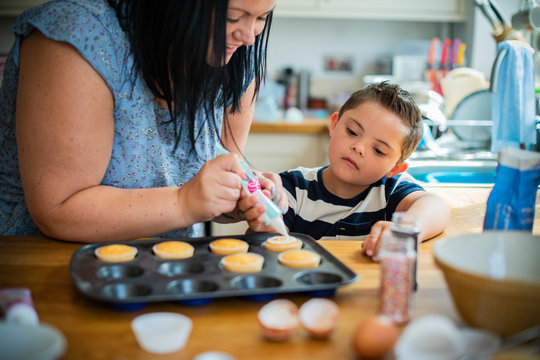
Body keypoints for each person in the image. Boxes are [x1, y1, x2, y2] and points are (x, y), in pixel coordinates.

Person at [0, 0, 287, 242]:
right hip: (42, 270)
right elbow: (58, 210)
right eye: (231, 17)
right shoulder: (79, 38)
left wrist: (240, 198)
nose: (249, 36)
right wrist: (184, 202)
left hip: (171, 271)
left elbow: (222, 165)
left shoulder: (235, 57)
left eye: (262, 16)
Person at [278, 82, 450, 258]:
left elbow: (437, 207)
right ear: (334, 125)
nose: (359, 147)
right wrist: (266, 224)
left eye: (378, 150)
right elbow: (271, 237)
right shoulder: (293, 187)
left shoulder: (389, 190)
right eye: (352, 132)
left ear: (395, 168)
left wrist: (405, 231)